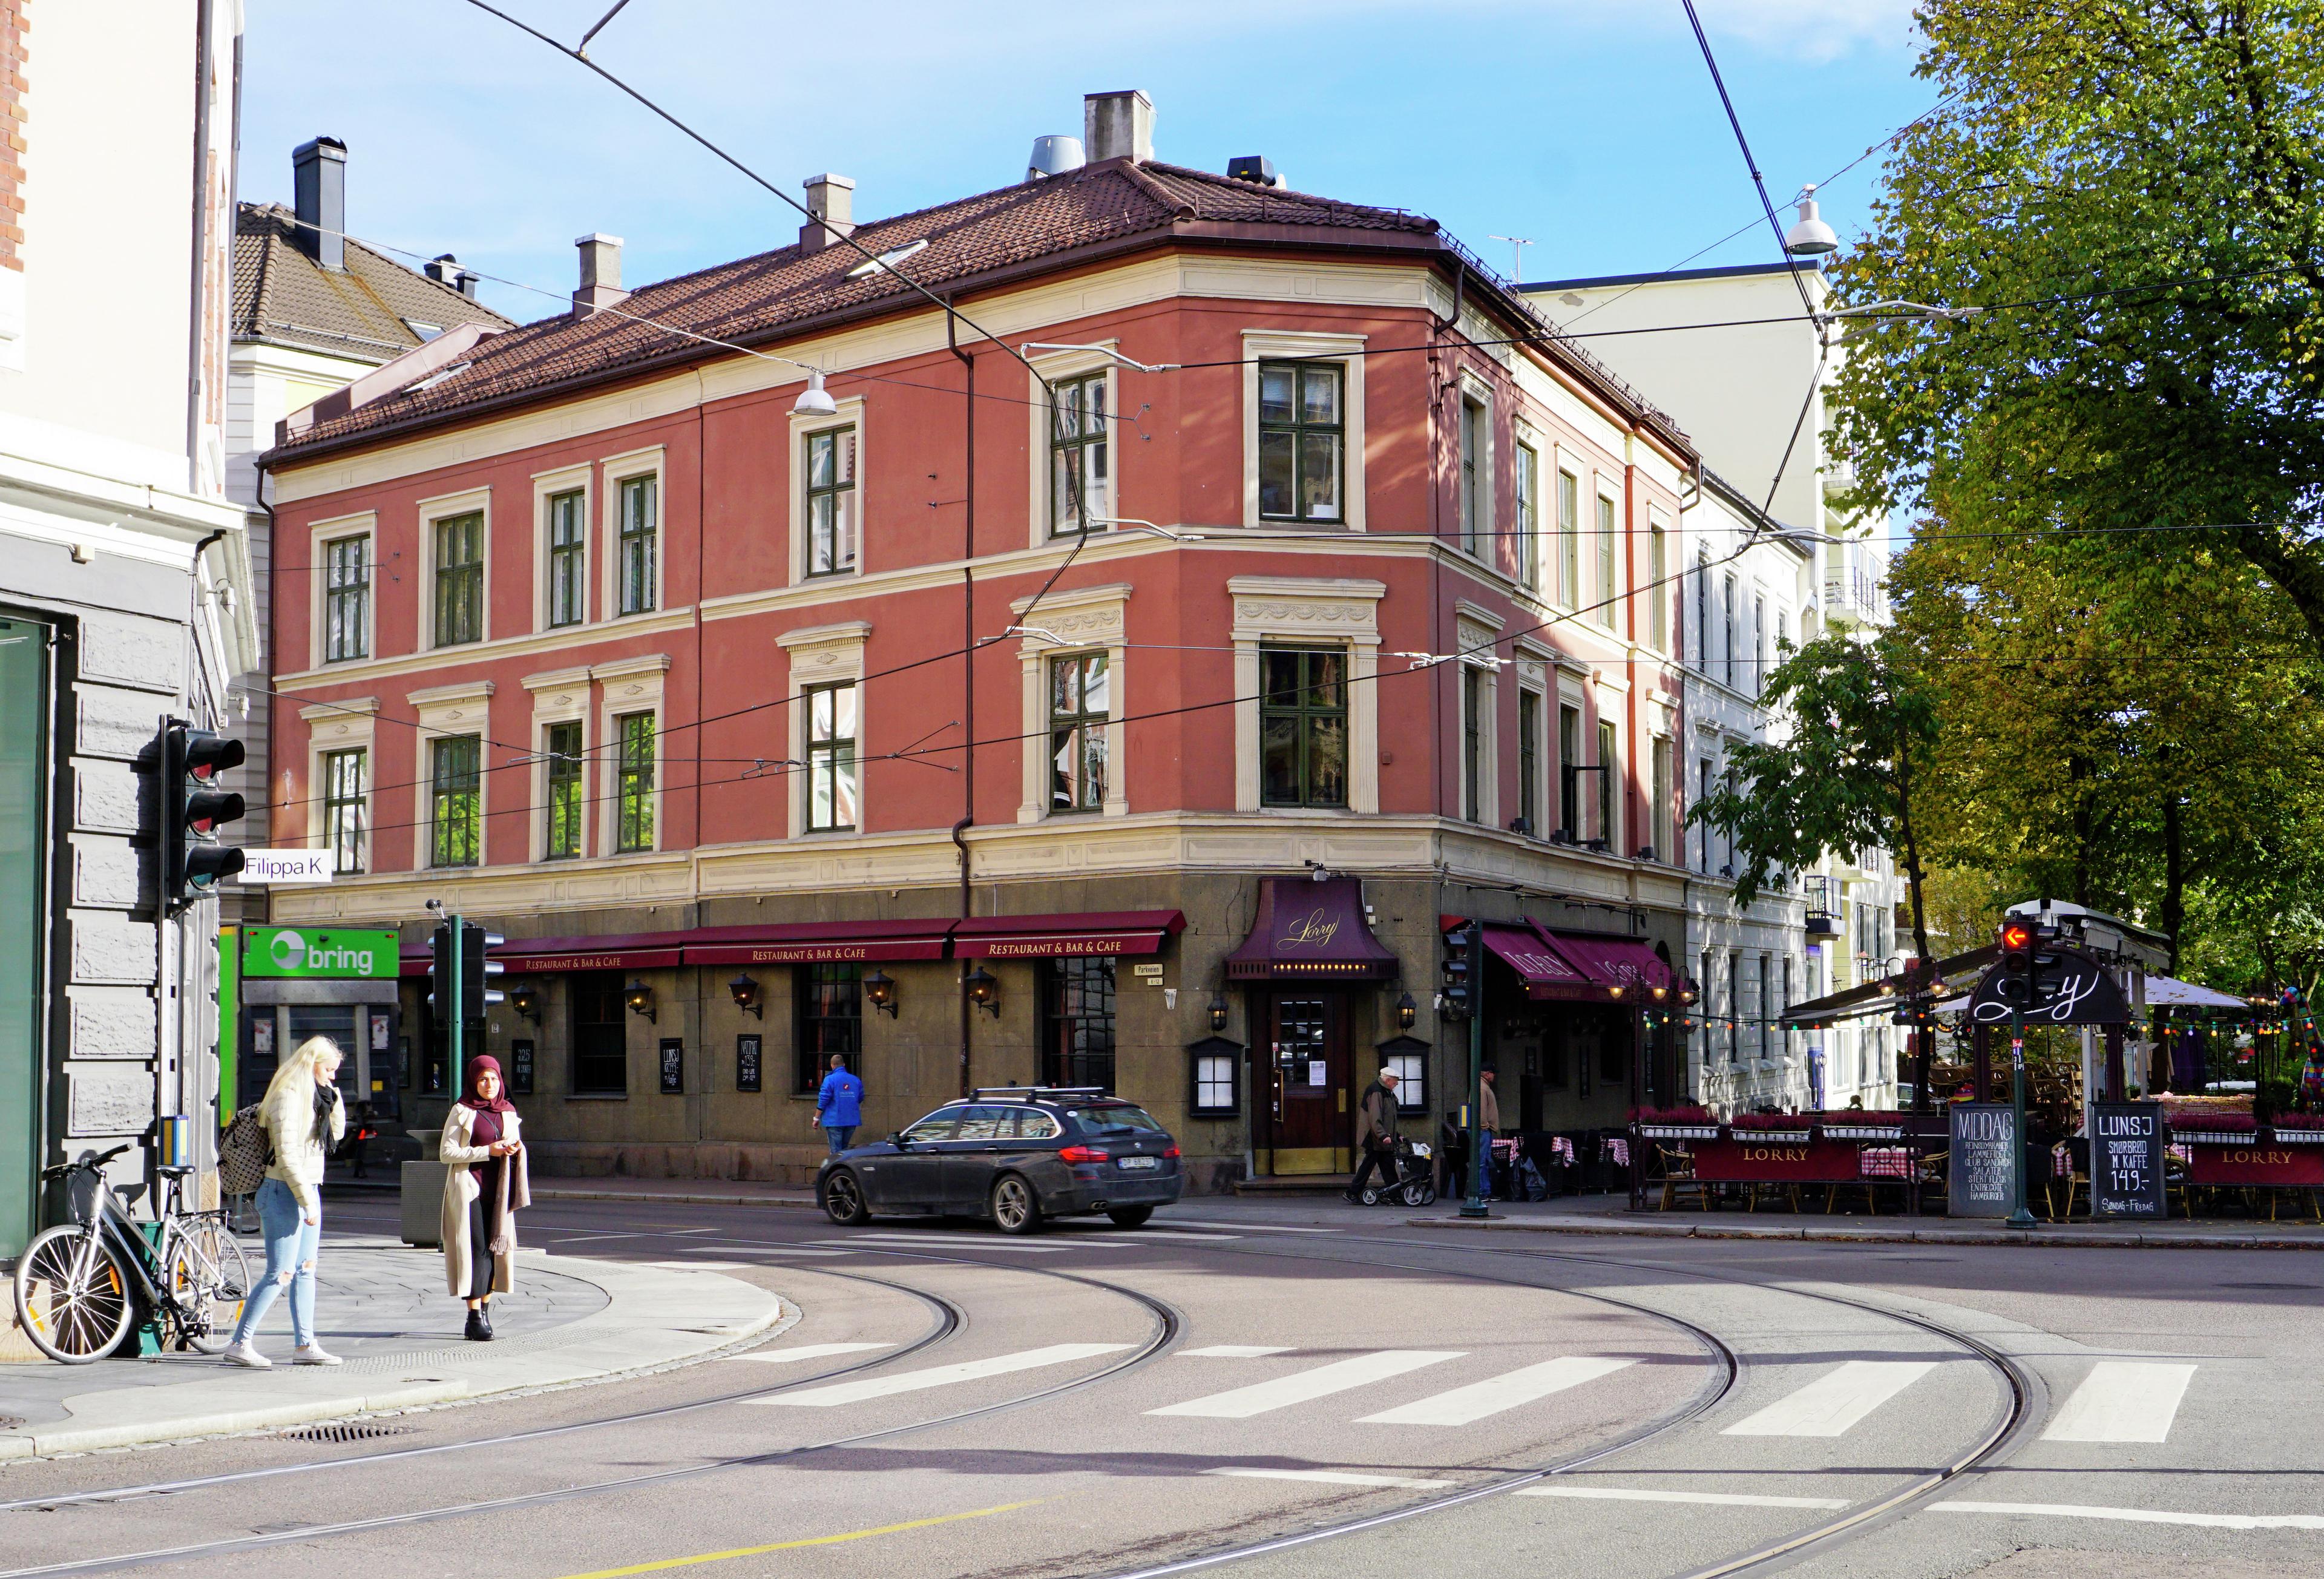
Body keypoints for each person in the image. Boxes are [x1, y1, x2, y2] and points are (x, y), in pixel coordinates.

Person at [220, 1036, 345, 1369]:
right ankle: (239, 1343)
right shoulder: (288, 1097)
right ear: (311, 1064)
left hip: (306, 1189)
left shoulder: (319, 1096)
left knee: (306, 1270)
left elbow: (339, 1133)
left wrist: (335, 1099)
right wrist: (309, 1202)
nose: (333, 1077)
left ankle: (306, 1345)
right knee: (281, 1273)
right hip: (281, 1192)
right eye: (329, 1070)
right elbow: (287, 1157)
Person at [441, 1055, 531, 1342]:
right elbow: (447, 1153)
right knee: (477, 1250)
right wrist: (487, 1151)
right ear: (473, 1081)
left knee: (496, 1251)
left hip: (500, 1191)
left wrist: (515, 1149)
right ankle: (473, 1316)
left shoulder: (507, 1112)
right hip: (471, 1190)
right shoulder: (462, 1111)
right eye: (482, 1079)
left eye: (493, 1078)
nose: (488, 1084)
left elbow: (515, 1148)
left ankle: (485, 1311)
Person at [1346, 1068, 1402, 1202]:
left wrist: (1396, 1135)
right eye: (1395, 1082)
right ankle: (1352, 1192)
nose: (1397, 1084)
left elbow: (1388, 1117)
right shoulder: (1377, 1091)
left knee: (1387, 1164)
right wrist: (1383, 1136)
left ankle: (1394, 1193)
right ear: (1387, 1080)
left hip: (1381, 1136)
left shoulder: (1386, 1091)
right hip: (1374, 1137)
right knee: (1370, 1165)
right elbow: (1375, 1117)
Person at [816, 1052, 864, 1152]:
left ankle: (837, 1167)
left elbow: (823, 1100)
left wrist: (816, 1118)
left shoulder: (829, 1080)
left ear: (832, 1065)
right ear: (844, 1065)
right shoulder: (855, 1080)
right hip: (851, 1120)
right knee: (844, 1149)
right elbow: (860, 1098)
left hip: (834, 1120)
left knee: (836, 1152)